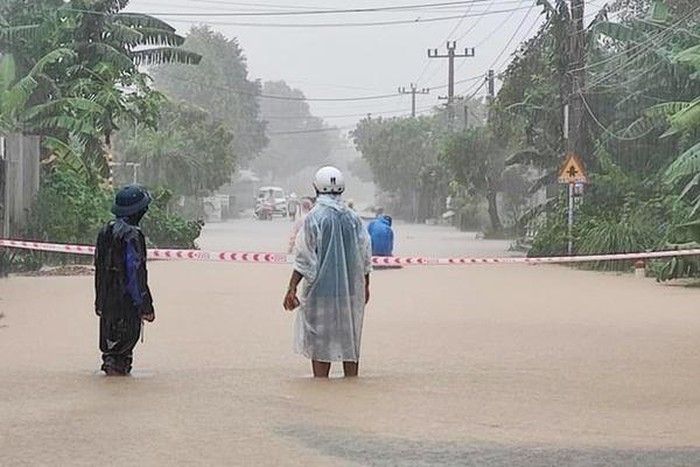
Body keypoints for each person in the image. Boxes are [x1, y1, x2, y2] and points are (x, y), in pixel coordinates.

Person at [283, 167, 372, 378]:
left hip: (320, 293)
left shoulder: (314, 218)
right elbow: (365, 255)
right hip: (350, 292)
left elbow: (304, 258)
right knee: (349, 340)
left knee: (320, 343)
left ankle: (321, 387)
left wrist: (291, 287)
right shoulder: (353, 218)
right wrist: (366, 285)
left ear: (316, 188)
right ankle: (351, 387)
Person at [94, 185, 155, 376]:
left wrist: (99, 301)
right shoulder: (132, 235)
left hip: (107, 302)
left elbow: (98, 269)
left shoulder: (105, 231)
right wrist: (145, 305)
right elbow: (135, 273)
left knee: (111, 352)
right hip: (126, 303)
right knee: (122, 353)